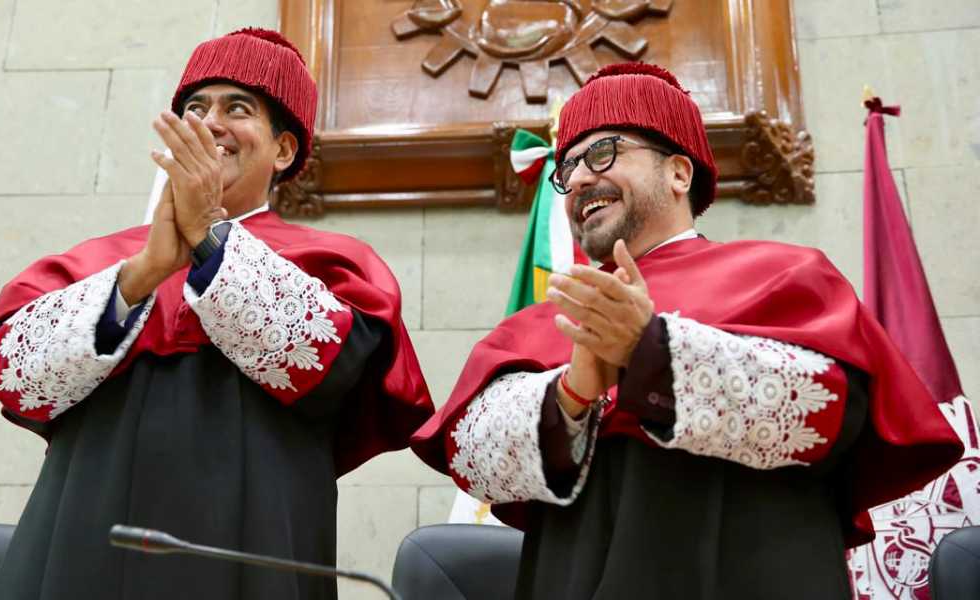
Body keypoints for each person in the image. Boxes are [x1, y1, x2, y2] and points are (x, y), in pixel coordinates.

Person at [410, 63, 962, 599]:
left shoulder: (782, 274)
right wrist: (572, 394)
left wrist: (653, 353)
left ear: (678, 171)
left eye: (602, 152)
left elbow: (829, 413)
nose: (577, 178)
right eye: (568, 168)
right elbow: (472, 461)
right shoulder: (545, 320)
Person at [0, 28, 433, 600]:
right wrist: (142, 274)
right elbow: (16, 375)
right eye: (195, 108)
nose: (210, 123)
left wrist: (209, 240)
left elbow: (333, 365)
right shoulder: (102, 262)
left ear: (284, 150)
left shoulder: (332, 263)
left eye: (236, 108)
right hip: (80, 548)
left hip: (251, 550)